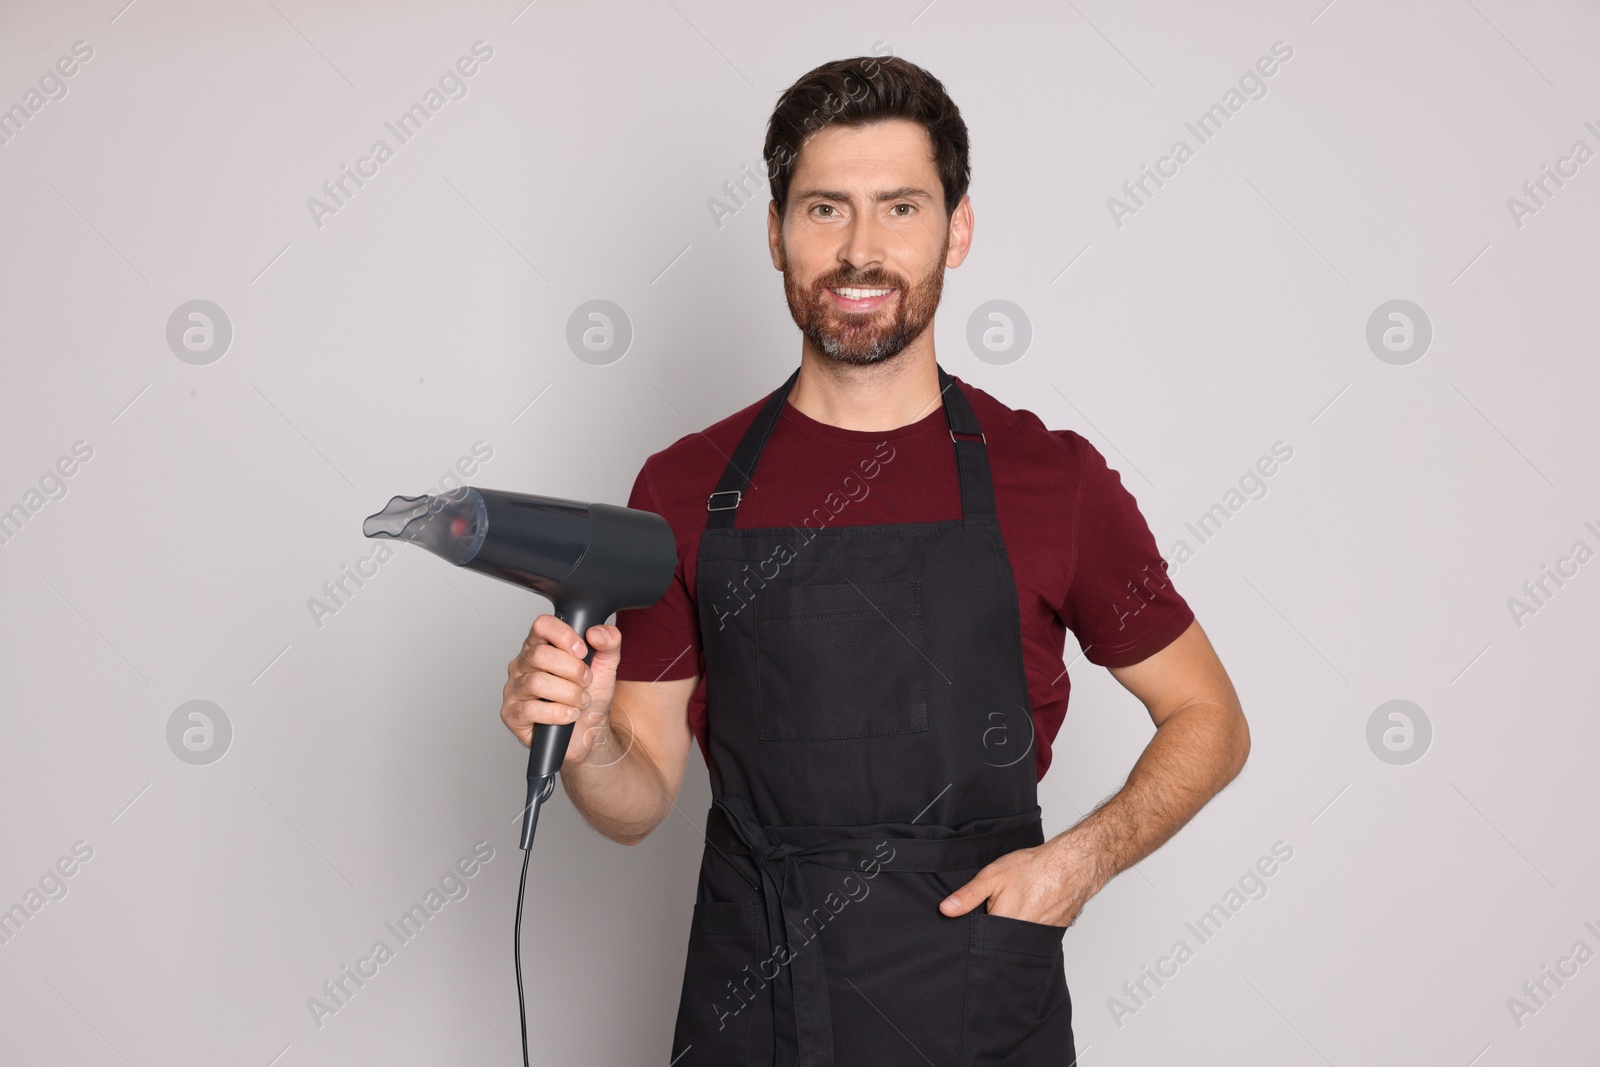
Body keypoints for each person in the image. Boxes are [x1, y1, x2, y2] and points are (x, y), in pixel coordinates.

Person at [499, 54, 1249, 1066]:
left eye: (900, 207)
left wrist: (1079, 861)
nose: (860, 251)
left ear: (957, 227)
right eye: (823, 210)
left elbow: (1211, 719)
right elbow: (639, 802)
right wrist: (588, 742)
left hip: (979, 1004)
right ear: (773, 233)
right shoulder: (684, 487)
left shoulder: (1050, 479)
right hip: (752, 1000)